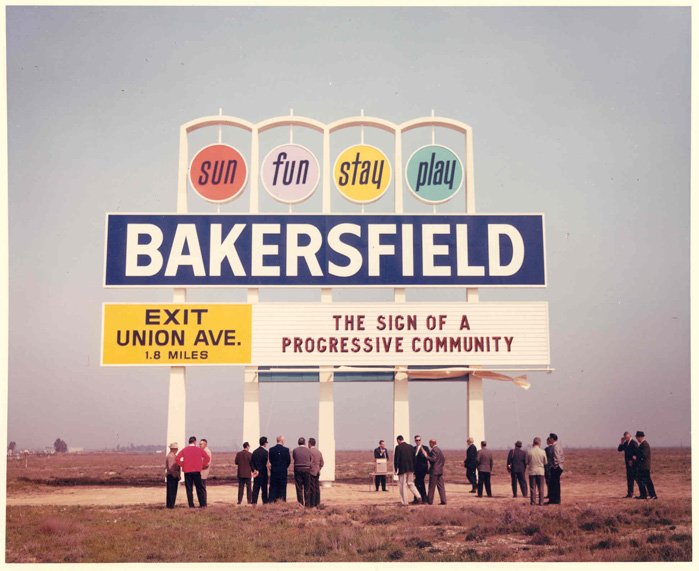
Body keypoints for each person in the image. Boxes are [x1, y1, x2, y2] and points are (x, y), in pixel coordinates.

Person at [175, 436, 210, 508]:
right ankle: (202, 504)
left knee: (189, 489)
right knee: (199, 488)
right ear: (195, 442)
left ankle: (191, 504)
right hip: (197, 471)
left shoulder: (185, 450)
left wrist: (182, 464)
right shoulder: (199, 449)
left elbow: (177, 458)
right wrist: (202, 465)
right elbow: (207, 458)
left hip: (187, 471)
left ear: (189, 442)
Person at [394, 435, 421, 505]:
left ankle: (404, 502)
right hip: (411, 469)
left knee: (402, 486)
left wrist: (396, 469)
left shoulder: (398, 447)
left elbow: (396, 459)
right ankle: (418, 496)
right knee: (411, 484)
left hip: (403, 469)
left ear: (398, 440)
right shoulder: (411, 447)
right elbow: (414, 459)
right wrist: (414, 468)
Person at [634, 431, 658, 500]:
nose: (637, 439)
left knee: (647, 481)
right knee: (641, 481)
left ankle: (653, 495)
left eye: (637, 437)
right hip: (642, 467)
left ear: (640, 437)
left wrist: (636, 458)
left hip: (644, 467)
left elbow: (644, 456)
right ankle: (643, 495)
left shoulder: (644, 444)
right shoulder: (642, 444)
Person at [268, 435, 291, 503]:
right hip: (283, 471)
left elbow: (271, 460)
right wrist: (284, 467)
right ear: (282, 441)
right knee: (282, 487)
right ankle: (282, 501)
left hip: (274, 471)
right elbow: (288, 461)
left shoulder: (271, 449)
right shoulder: (286, 450)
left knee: (273, 487)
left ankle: (272, 501)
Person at [525, 437, 547, 506]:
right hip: (540, 472)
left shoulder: (529, 451)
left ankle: (533, 502)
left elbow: (526, 462)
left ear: (533, 443)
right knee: (541, 487)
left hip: (532, 472)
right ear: (540, 443)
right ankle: (541, 502)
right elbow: (545, 462)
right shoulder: (543, 452)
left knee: (532, 488)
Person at [292, 437, 313, 507]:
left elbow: (294, 458)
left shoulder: (295, 450)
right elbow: (310, 459)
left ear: (298, 443)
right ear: (304, 443)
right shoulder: (309, 451)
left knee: (299, 488)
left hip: (298, 469)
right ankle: (307, 505)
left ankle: (300, 504)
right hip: (307, 469)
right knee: (307, 488)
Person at [618, 431, 638, 498]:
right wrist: (621, 442)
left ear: (629, 436)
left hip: (634, 464)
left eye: (627, 437)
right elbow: (619, 449)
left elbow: (637, 453)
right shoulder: (626, 443)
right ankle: (630, 494)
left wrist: (633, 459)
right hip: (628, 464)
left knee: (637, 479)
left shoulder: (634, 443)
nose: (626, 438)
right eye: (625, 438)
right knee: (629, 479)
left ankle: (645, 493)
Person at [427, 438, 447, 505]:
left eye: (430, 443)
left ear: (432, 443)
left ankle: (430, 501)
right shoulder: (439, 450)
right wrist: (440, 466)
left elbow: (434, 459)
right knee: (441, 487)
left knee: (431, 487)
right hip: (440, 471)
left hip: (434, 471)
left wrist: (427, 457)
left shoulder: (433, 450)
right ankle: (443, 501)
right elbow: (443, 460)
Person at [546, 433, 564, 505]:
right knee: (555, 484)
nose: (549, 439)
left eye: (550, 438)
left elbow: (556, 458)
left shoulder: (555, 447)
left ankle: (555, 500)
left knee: (554, 484)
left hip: (556, 467)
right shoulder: (558, 446)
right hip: (558, 467)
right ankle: (555, 499)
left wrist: (554, 466)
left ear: (552, 439)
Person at [251, 436, 269, 504]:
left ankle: (254, 503)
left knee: (255, 489)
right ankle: (265, 503)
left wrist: (254, 470)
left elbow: (251, 463)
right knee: (264, 490)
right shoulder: (265, 452)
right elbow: (264, 463)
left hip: (256, 474)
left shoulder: (254, 452)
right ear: (264, 443)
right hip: (263, 473)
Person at [413, 435, 430, 503]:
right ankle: (417, 498)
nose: (418, 441)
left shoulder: (425, 448)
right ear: (415, 441)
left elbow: (427, 457)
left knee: (421, 482)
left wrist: (423, 451)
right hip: (416, 469)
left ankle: (423, 498)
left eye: (419, 440)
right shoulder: (414, 448)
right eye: (417, 440)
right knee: (417, 483)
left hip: (422, 469)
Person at [309, 437, 324, 508]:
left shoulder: (309, 452)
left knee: (312, 488)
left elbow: (310, 462)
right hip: (317, 471)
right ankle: (318, 502)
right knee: (317, 487)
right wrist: (318, 468)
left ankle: (312, 503)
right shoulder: (319, 452)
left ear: (309, 444)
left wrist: (310, 468)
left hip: (311, 472)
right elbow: (322, 463)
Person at [165, 442, 180, 509]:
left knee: (171, 492)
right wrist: (176, 475)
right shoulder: (171, 456)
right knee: (172, 492)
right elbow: (171, 468)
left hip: (172, 475)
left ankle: (170, 505)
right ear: (174, 449)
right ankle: (170, 506)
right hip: (172, 476)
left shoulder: (171, 455)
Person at [199, 438, 212, 505]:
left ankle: (203, 504)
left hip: (203, 473)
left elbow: (207, 463)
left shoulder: (207, 451)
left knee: (202, 489)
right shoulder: (203, 451)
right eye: (199, 444)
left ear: (205, 444)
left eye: (201, 444)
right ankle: (202, 503)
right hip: (201, 472)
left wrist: (199, 467)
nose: (199, 445)